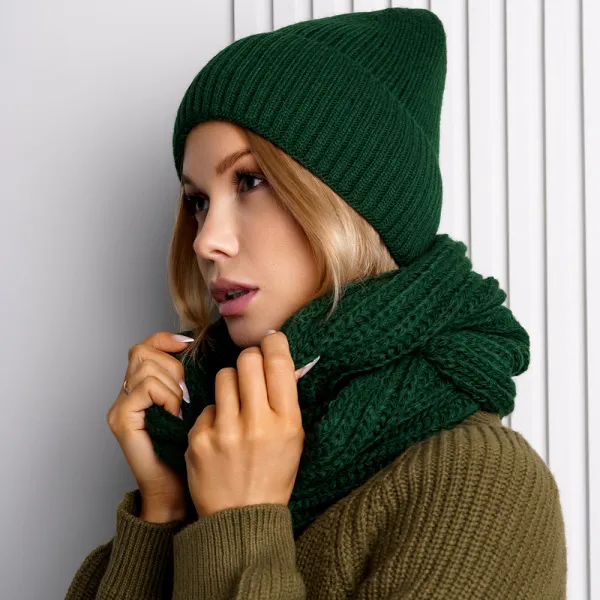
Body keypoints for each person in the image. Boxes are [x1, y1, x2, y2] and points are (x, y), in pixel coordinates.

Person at [65, 7, 567, 600]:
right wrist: (165, 509)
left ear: (351, 206)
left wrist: (239, 524)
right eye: (198, 201)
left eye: (250, 182)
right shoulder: (208, 443)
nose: (205, 241)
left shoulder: (481, 485)